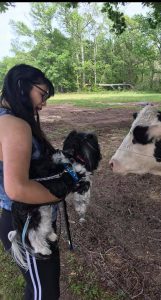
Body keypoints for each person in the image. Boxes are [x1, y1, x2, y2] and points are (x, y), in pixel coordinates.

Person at [0, 64, 62, 299]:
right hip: (27, 224)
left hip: (26, 221)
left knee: (40, 287)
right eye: (42, 94)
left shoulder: (7, 119)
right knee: (43, 292)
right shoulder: (15, 126)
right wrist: (59, 192)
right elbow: (16, 188)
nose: (44, 103)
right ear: (21, 86)